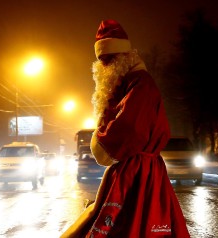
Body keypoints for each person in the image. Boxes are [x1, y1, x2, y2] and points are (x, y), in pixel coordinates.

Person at [61, 19, 190, 237]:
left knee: (129, 224)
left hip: (137, 173)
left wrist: (101, 139)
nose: (104, 67)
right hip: (138, 170)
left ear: (123, 58)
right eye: (101, 61)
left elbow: (129, 128)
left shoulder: (140, 84)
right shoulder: (130, 83)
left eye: (108, 61)